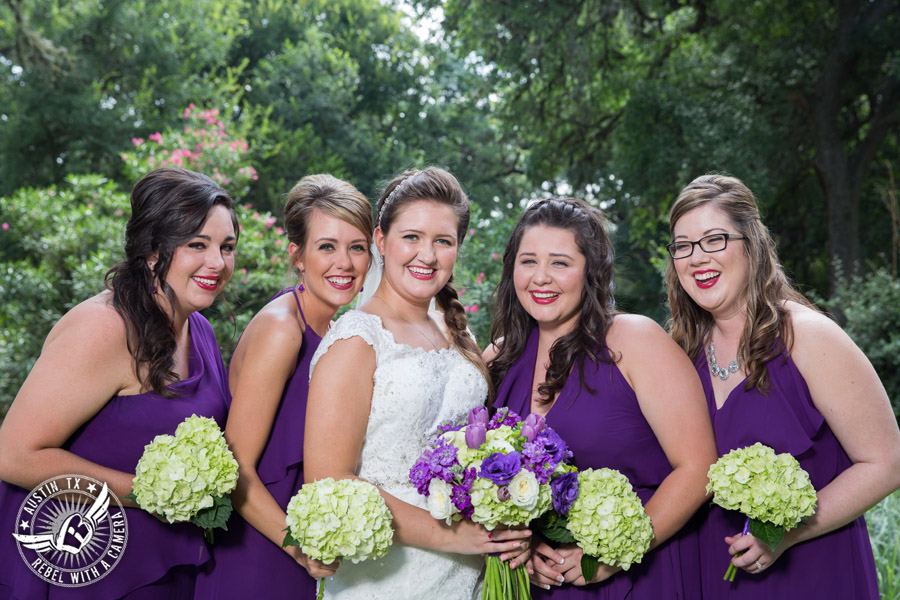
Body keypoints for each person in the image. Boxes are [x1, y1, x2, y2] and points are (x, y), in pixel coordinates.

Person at [0, 167, 238, 599]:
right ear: (152, 252)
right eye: (196, 245)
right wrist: (154, 494)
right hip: (90, 565)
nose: (217, 263)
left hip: (164, 563)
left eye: (227, 247)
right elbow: (14, 455)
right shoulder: (104, 328)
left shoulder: (199, 328)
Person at [665, 173, 900, 599]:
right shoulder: (680, 352)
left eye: (715, 239)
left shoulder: (808, 336)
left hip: (811, 572)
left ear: (751, 245)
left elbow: (887, 462)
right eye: (683, 246)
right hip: (711, 574)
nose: (697, 258)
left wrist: (786, 534)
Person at [303, 167, 531, 599]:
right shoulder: (356, 339)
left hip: (470, 572)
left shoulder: (452, 331)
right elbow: (328, 480)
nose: (427, 255)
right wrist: (456, 537)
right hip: (388, 573)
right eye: (412, 237)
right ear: (381, 241)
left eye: (443, 241)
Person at [487, 197, 717, 598]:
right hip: (544, 584)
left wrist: (614, 552)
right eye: (528, 262)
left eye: (560, 263)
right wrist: (523, 546)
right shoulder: (498, 359)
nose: (541, 277)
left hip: (638, 576)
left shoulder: (634, 340)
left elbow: (699, 469)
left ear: (590, 273)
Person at [194, 174, 373, 599]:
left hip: (304, 550)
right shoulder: (282, 330)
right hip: (260, 555)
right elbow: (235, 471)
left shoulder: (334, 327)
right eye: (326, 246)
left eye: (357, 247)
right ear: (297, 255)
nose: (344, 263)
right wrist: (299, 548)